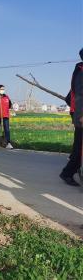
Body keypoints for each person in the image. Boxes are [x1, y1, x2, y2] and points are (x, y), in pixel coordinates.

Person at [60, 48, 83, 187]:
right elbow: (80, 96)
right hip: (81, 115)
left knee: (79, 146)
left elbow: (70, 97)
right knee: (80, 147)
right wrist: (80, 115)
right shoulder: (81, 71)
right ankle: (67, 173)